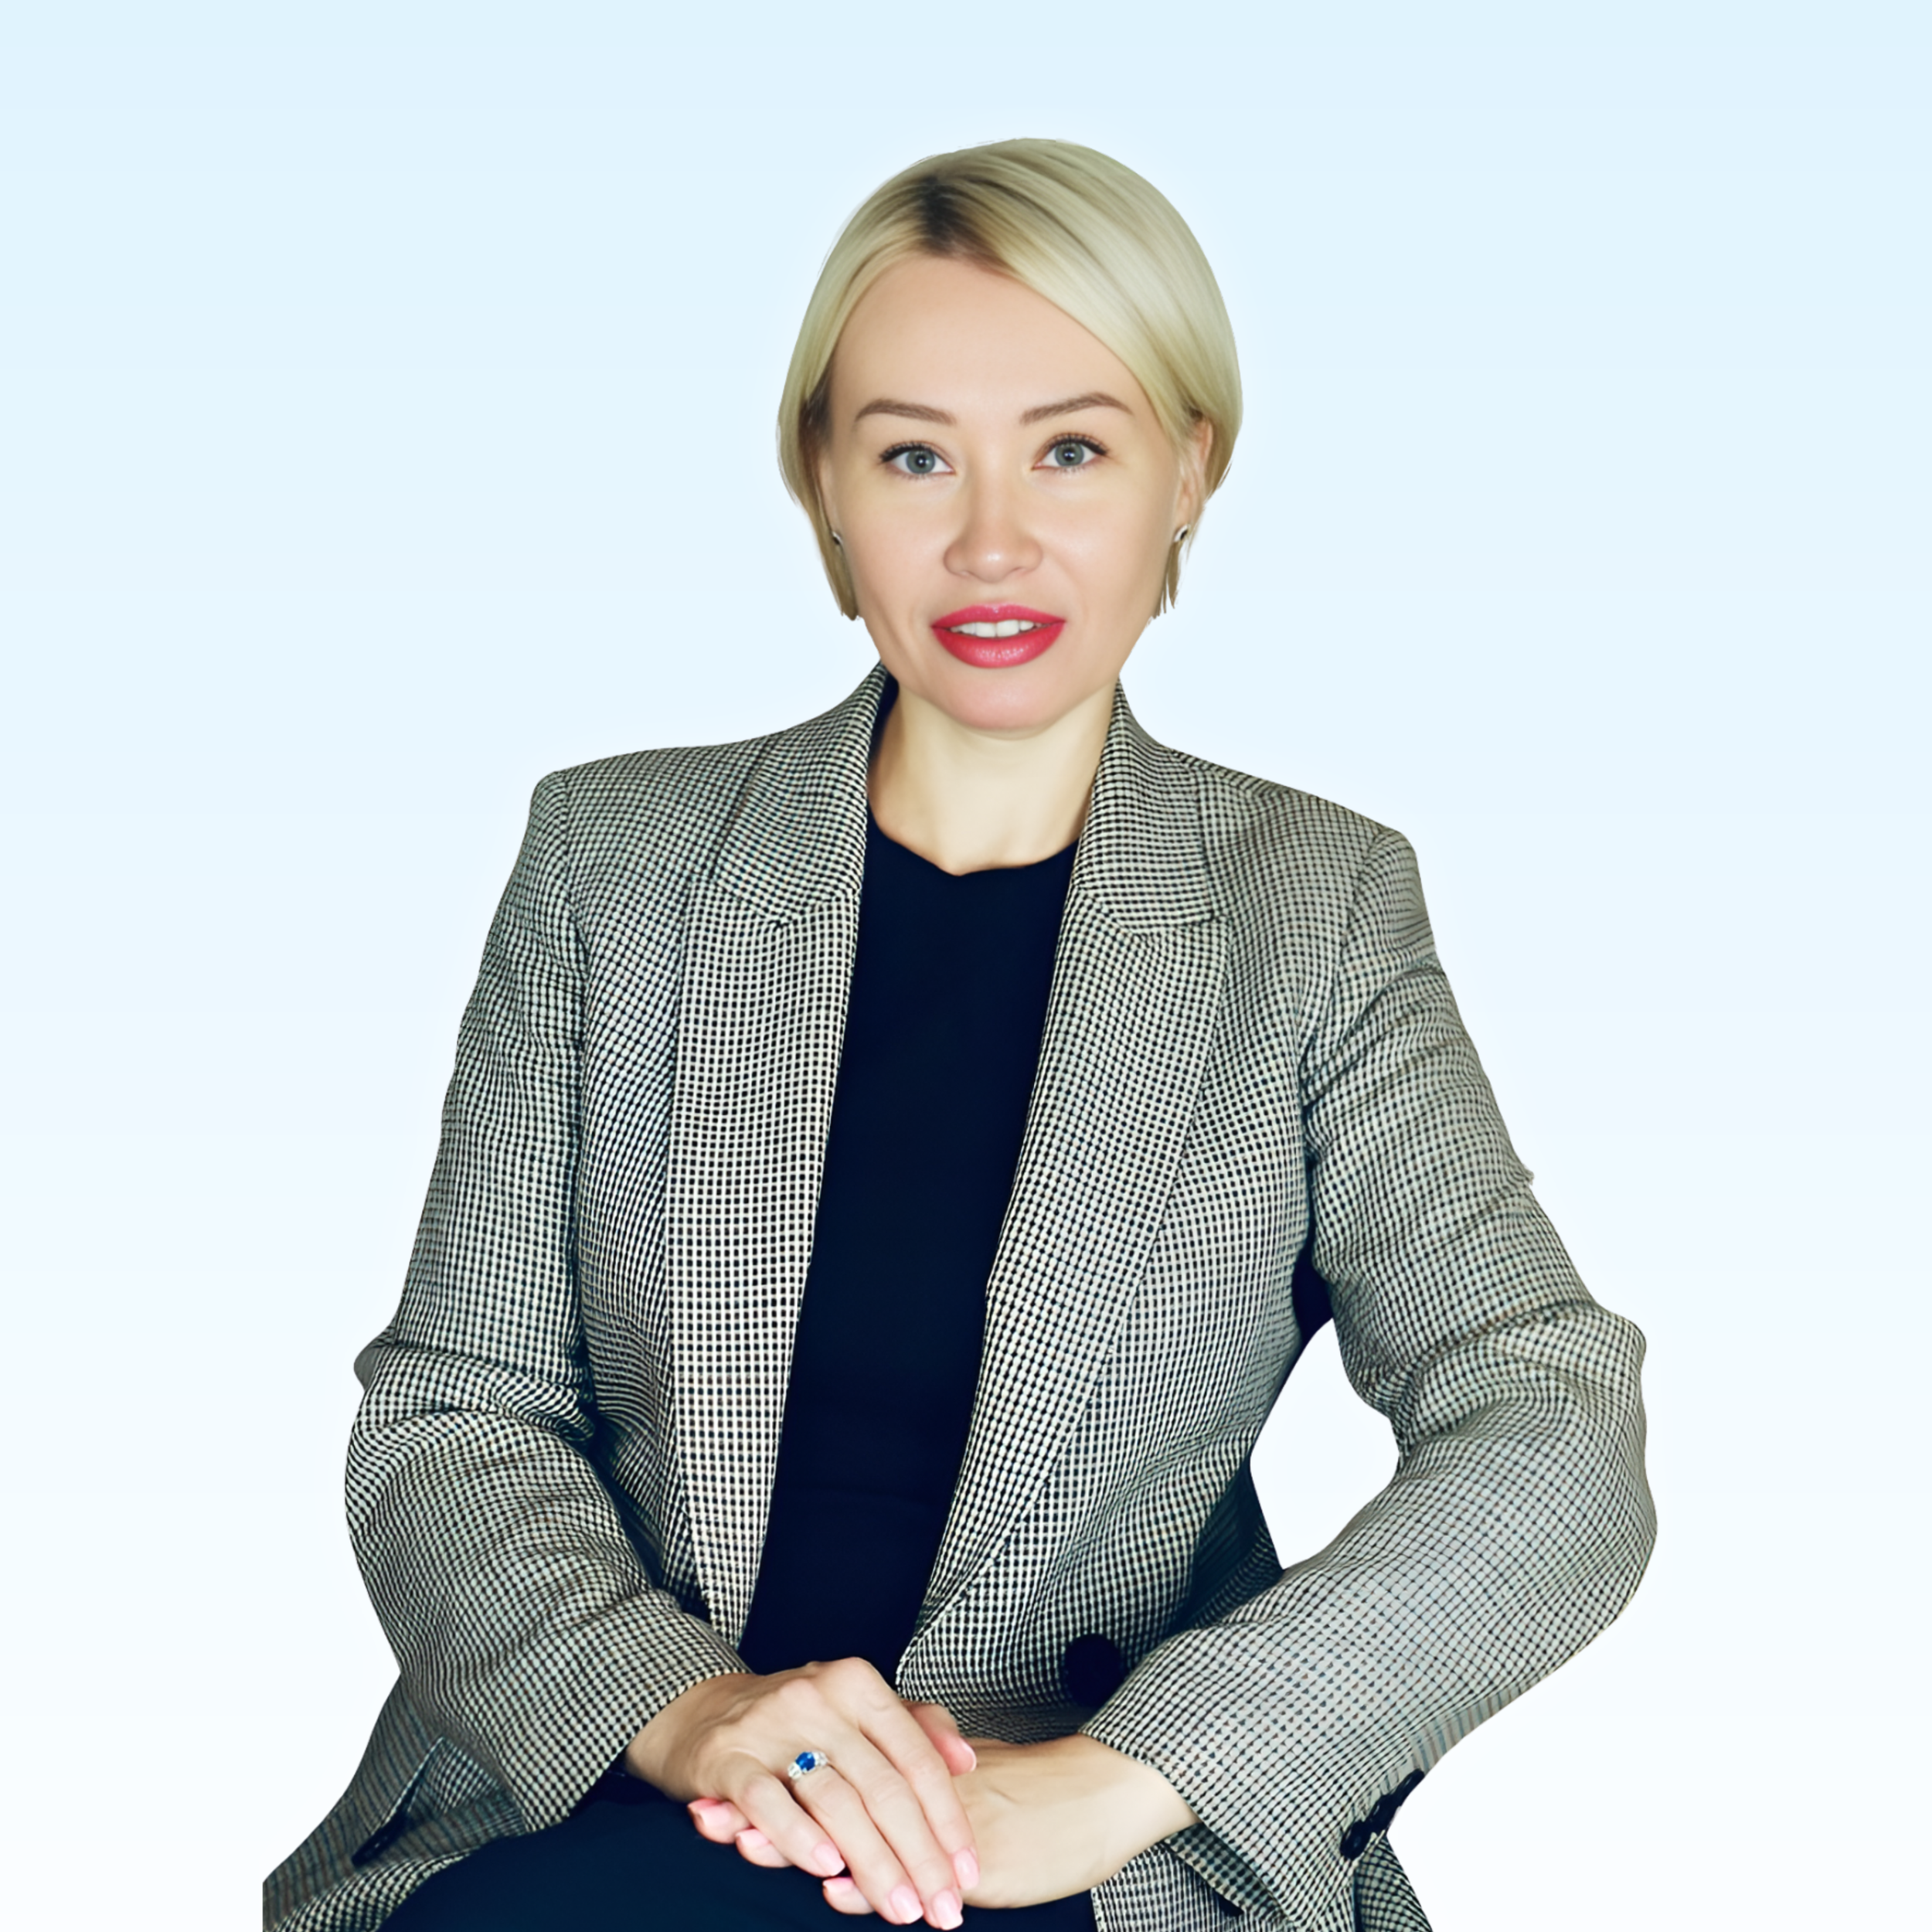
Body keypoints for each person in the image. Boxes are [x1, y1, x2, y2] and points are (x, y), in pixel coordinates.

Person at [266, 139, 1655, 1932]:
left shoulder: (1311, 908)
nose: (989, 539)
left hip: (1063, 1836)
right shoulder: (609, 860)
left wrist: (1125, 1778)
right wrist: (681, 1707)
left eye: (1068, 449)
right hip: (629, 1789)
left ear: (1187, 473)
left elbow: (1546, 1417)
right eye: (913, 453)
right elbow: (459, 1412)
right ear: (824, 493)